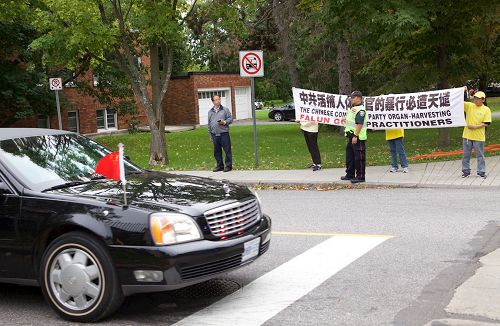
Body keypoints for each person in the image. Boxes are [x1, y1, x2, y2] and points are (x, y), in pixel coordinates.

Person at [461, 90, 491, 178]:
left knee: (480, 155)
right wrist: (463, 92)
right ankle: (465, 171)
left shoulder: (486, 109)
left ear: (483, 100)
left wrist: (474, 127)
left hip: (479, 137)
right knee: (466, 155)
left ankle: (481, 172)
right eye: (475, 98)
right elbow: (459, 102)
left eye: (478, 98)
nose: (476, 100)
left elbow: (486, 123)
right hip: (467, 136)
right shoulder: (470, 106)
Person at [340, 90, 367, 183]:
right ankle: (350, 174)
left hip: (358, 137)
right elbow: (351, 121)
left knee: (359, 158)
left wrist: (355, 135)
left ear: (357, 98)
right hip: (351, 136)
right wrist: (345, 119)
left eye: (352, 97)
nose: (351, 99)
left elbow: (359, 124)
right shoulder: (353, 109)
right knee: (350, 157)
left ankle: (360, 176)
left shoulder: (361, 110)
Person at [208, 95, 233, 172]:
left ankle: (228, 166)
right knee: (217, 151)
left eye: (219, 99)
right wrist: (210, 135)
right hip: (214, 134)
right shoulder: (210, 112)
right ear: (213, 102)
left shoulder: (225, 110)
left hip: (224, 134)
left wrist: (224, 122)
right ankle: (219, 166)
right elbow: (209, 124)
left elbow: (230, 119)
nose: (218, 101)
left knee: (227, 150)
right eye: (216, 100)